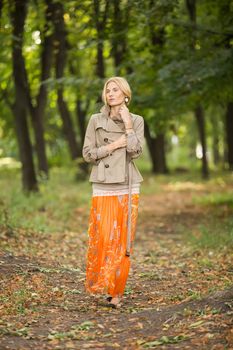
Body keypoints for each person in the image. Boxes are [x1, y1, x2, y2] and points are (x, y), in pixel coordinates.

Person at [82, 76, 144, 308]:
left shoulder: (137, 120)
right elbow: (87, 154)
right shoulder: (95, 119)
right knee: (105, 238)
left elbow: (136, 152)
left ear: (125, 95)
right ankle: (105, 283)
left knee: (124, 241)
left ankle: (117, 292)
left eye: (115, 90)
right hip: (103, 184)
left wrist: (128, 125)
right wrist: (114, 146)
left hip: (128, 184)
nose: (110, 94)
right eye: (108, 90)